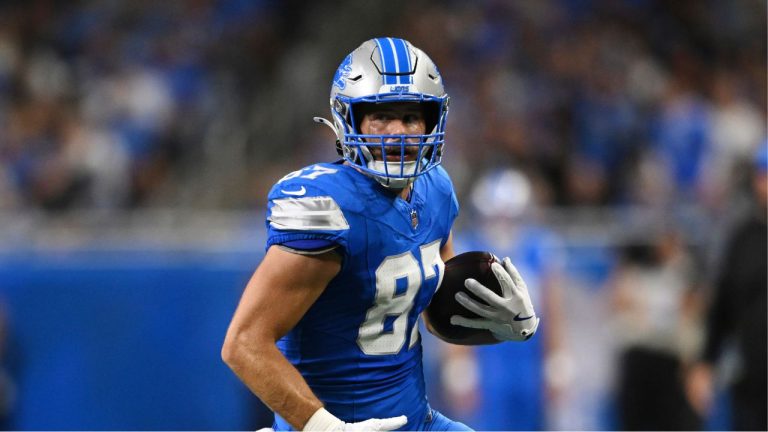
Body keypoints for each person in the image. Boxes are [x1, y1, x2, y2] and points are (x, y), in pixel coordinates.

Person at [221, 38, 540, 432]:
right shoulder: (326, 206)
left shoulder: (436, 190)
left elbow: (435, 314)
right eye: (381, 117)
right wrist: (325, 427)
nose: (398, 133)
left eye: (411, 117)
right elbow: (244, 344)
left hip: (416, 420)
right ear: (347, 121)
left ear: (432, 121)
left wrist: (503, 326)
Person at [686, 143, 767, 431]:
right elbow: (723, 306)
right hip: (753, 381)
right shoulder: (743, 238)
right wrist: (706, 362)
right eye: (763, 174)